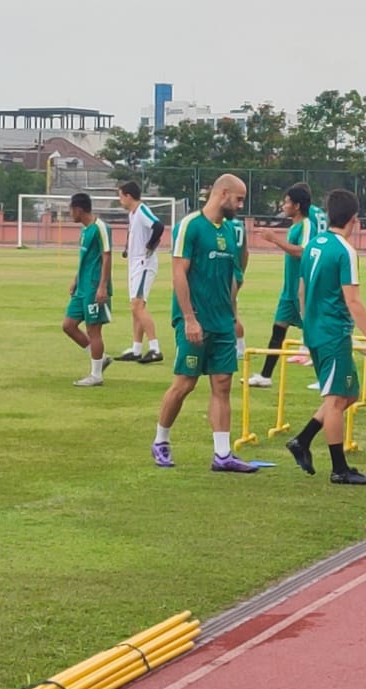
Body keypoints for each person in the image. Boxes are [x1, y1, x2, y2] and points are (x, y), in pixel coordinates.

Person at [152, 174, 259, 471]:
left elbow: (235, 275)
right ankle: (161, 440)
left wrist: (232, 310)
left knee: (222, 384)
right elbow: (178, 273)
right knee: (185, 383)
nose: (240, 205)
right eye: (238, 199)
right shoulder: (191, 226)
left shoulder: (229, 231)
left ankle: (222, 455)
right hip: (195, 321)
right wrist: (189, 319)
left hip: (223, 322)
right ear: (223, 194)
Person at [285, 189, 366, 485]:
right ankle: (339, 468)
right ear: (354, 218)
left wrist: (307, 324)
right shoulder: (345, 251)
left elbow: (301, 288)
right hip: (332, 333)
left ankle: (302, 440)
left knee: (348, 395)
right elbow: (353, 300)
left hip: (318, 329)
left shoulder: (314, 244)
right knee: (335, 400)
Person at [251, 184, 325, 387]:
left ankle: (324, 377)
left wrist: (275, 239)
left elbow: (303, 251)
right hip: (289, 290)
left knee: (314, 333)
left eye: (286, 202)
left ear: (297, 205)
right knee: (278, 330)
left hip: (303, 287)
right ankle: (265, 376)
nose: (284, 205)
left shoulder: (307, 225)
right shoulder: (295, 226)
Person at [61, 193, 114, 386]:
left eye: (71, 210)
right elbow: (86, 258)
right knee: (68, 325)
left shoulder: (101, 228)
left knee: (94, 330)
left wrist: (102, 286)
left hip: (93, 287)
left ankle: (96, 375)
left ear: (79, 209)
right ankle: (101, 358)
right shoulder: (85, 230)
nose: (70, 214)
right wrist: (76, 279)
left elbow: (107, 257)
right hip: (82, 287)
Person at [115, 181, 165, 364]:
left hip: (144, 263)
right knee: (135, 307)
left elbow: (158, 226)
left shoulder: (142, 210)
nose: (120, 200)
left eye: (121, 196)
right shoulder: (132, 214)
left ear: (128, 196)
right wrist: (128, 247)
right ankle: (136, 348)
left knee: (138, 306)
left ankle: (154, 348)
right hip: (135, 263)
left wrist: (150, 246)